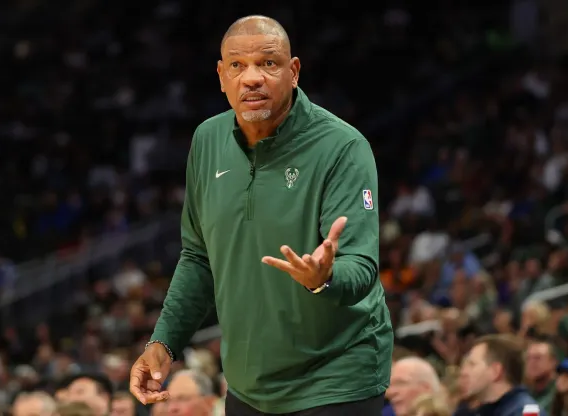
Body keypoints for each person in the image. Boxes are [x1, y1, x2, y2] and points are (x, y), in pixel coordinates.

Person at [130, 14, 391, 416]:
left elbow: (360, 266)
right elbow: (199, 257)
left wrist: (325, 278)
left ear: (294, 71)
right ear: (221, 76)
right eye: (237, 65)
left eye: (268, 63)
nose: (252, 78)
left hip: (336, 378)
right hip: (249, 385)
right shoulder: (207, 140)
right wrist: (163, 342)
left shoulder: (342, 146)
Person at [459, 335, 543, 415]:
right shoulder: (481, 412)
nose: (463, 372)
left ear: (496, 371)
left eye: (472, 364)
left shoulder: (525, 412)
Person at [524, 338, 558, 413]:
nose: (531, 363)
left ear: (553, 362)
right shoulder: (524, 393)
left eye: (537, 358)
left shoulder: (561, 394)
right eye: (528, 358)